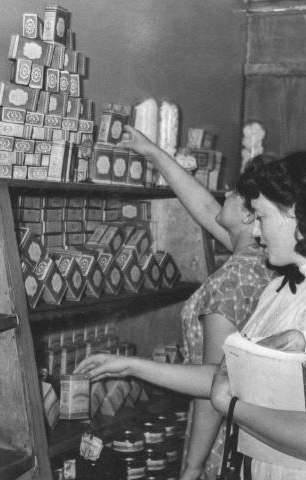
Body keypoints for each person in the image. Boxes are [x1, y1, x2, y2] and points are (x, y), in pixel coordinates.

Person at [75, 151, 306, 479]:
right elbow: (226, 377)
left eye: (261, 217)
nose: (256, 232)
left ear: (298, 215)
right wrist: (132, 366)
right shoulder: (284, 286)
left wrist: (230, 406)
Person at [97, 125, 276, 479]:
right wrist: (153, 152)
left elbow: (214, 386)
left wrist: (192, 467)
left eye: (235, 192)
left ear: (249, 214)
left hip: (219, 440)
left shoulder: (230, 282)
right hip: (252, 433)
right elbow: (206, 205)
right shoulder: (262, 259)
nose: (224, 192)